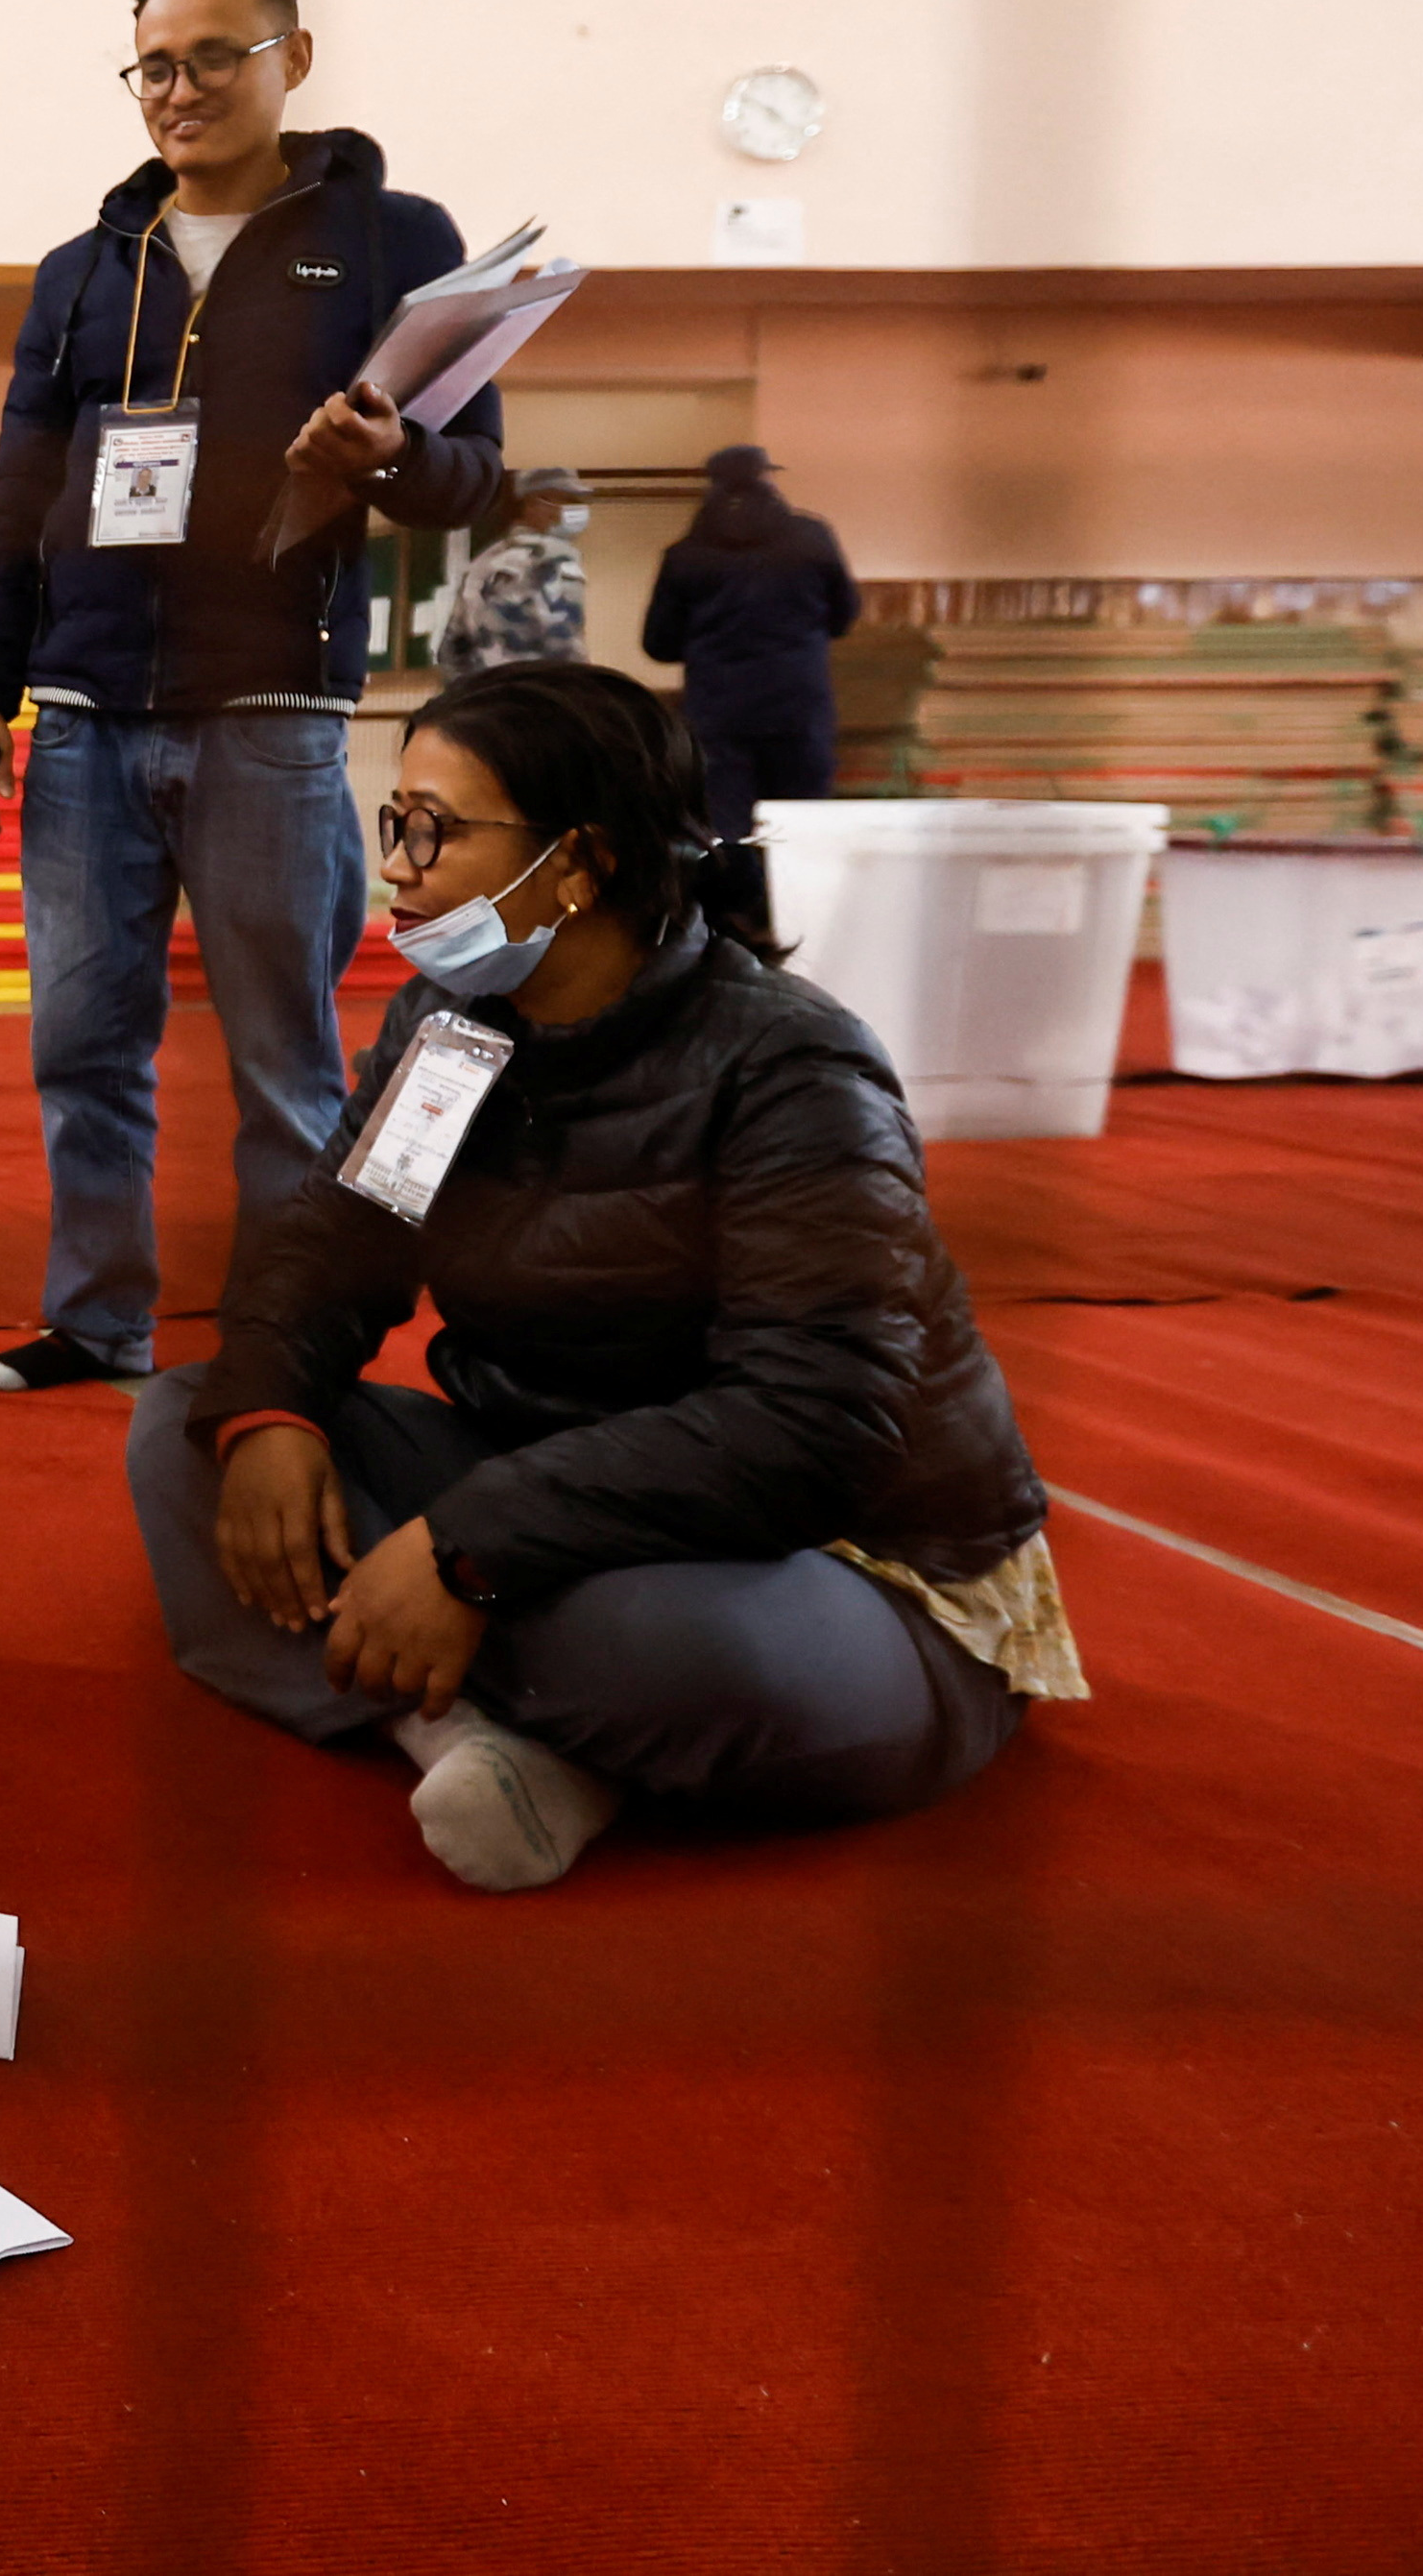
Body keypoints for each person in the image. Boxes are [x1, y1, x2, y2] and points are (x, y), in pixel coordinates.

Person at [125, 660, 1083, 1891]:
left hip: (840, 1564)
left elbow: (810, 1427)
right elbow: (331, 1249)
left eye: (436, 828)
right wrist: (268, 1406)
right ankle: (461, 1733)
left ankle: (503, 1703)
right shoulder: (448, 1030)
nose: (399, 866)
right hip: (561, 1487)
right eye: (394, 823)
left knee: (654, 1649)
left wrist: (468, 1549)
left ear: (577, 866)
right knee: (187, 1434)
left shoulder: (790, 1071)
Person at [0, 0, 507, 1397]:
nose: (177, 89)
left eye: (212, 57)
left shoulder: (392, 238)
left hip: (271, 715)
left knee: (283, 1066)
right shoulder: (85, 270)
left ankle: (282, 1345)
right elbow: (19, 494)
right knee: (84, 1046)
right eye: (153, 64)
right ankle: (98, 1320)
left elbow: (472, 479)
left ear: (291, 62)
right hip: (77, 719)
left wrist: (398, 457)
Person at [643, 443, 864, 834]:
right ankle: (796, 894)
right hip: (799, 703)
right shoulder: (812, 538)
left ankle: (736, 893)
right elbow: (844, 616)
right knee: (801, 824)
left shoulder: (685, 555)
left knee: (726, 824)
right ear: (766, 478)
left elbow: (658, 643)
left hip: (718, 710)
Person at [433, 464, 592, 679]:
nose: (576, 510)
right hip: (540, 696)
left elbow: (451, 650)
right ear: (535, 503)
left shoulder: (484, 563)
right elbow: (563, 642)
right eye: (569, 501)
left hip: (487, 698)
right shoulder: (555, 556)